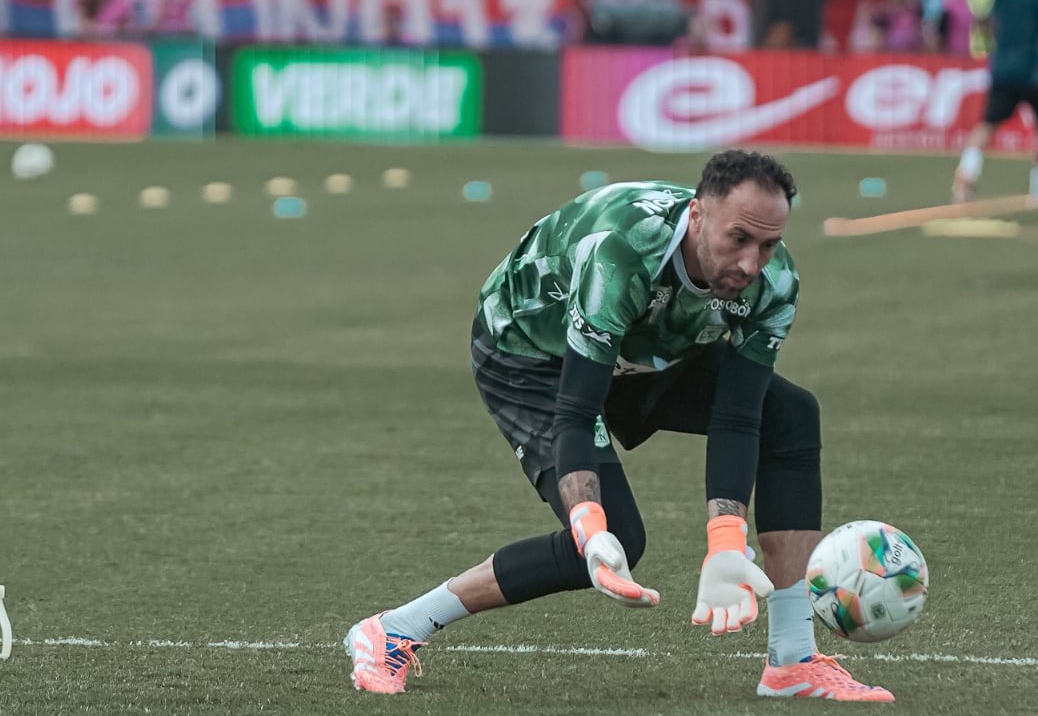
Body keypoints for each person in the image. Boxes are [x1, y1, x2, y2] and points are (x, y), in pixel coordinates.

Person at [343, 150, 895, 703]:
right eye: (740, 239)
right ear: (697, 217)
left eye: (768, 244)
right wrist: (588, 524)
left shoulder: (773, 282)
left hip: (646, 349)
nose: (752, 264)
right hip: (531, 354)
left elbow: (737, 413)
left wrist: (725, 542)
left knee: (791, 414)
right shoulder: (622, 252)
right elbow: (577, 410)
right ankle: (393, 630)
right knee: (617, 538)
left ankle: (792, 660)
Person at [952, 0, 1038, 206]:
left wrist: (999, 48)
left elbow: (986, 22)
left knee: (986, 126)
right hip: (1035, 71)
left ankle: (966, 177)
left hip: (1003, 69)